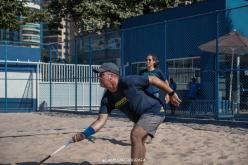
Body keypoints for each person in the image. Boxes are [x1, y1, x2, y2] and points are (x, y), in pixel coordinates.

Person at [72, 62, 181, 165]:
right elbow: (101, 120)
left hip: (154, 110)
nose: (98, 77)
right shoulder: (107, 99)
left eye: (101, 74)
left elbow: (153, 79)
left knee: (135, 135)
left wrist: (171, 93)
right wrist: (84, 134)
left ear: (111, 76)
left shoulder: (128, 81)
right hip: (140, 118)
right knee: (139, 140)